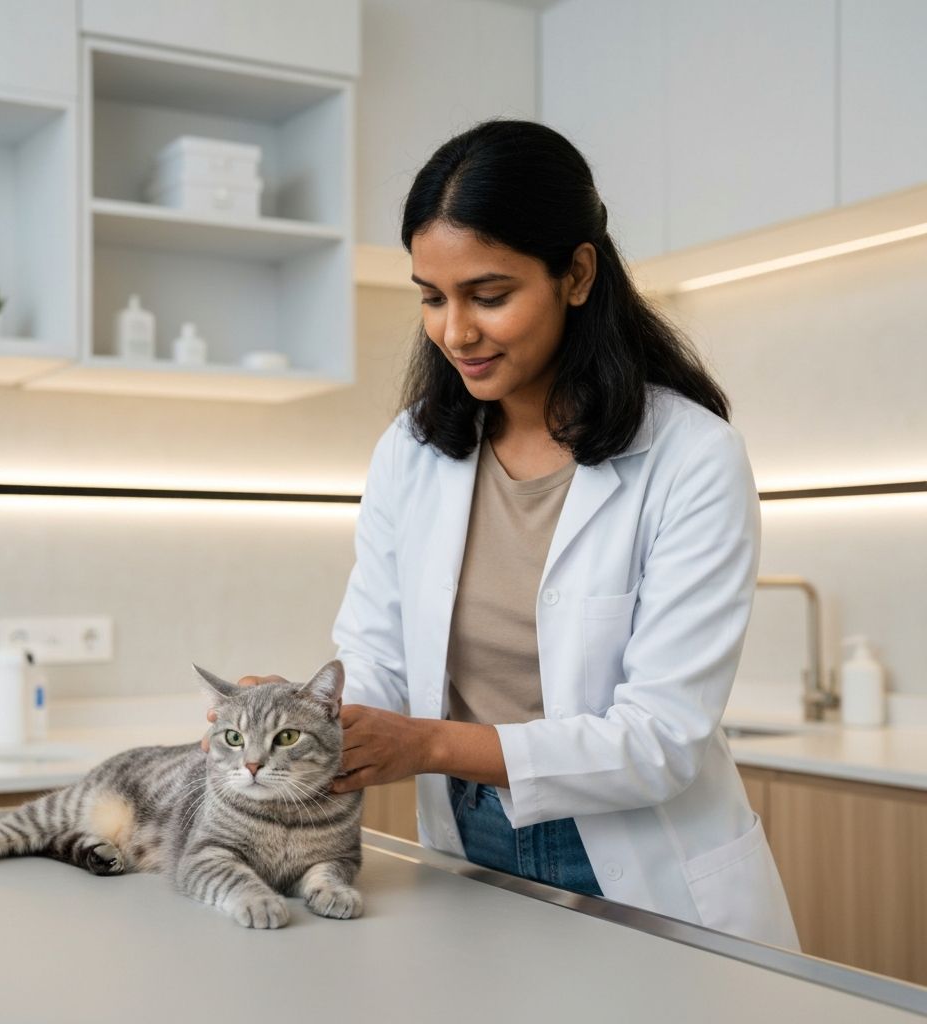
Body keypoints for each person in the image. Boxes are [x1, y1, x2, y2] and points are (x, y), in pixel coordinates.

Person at [210, 119, 799, 950]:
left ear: (578, 274)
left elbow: (661, 739)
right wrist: (314, 714)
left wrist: (425, 742)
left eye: (489, 295)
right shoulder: (412, 452)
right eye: (431, 296)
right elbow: (377, 657)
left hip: (637, 854)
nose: (455, 331)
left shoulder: (692, 457)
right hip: (466, 833)